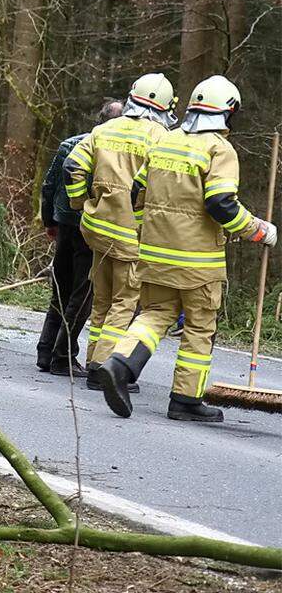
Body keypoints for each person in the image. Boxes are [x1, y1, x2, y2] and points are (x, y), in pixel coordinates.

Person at [97, 75, 277, 423]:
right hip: (197, 262)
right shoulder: (219, 150)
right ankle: (185, 400)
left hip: (154, 254)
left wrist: (143, 229)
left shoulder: (166, 142)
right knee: (198, 327)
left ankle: (118, 366)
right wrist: (258, 231)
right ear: (229, 111)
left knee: (153, 316)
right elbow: (221, 205)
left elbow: (136, 193)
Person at [64, 73, 177, 392]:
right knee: (125, 303)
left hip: (98, 229)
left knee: (102, 300)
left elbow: (73, 166)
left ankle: (92, 360)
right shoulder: (160, 136)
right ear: (165, 107)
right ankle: (103, 368)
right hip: (132, 235)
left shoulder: (104, 130)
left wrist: (80, 201)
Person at [36, 99, 124, 375]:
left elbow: (48, 186)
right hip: (87, 228)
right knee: (82, 295)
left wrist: (49, 220)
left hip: (64, 225)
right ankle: (62, 356)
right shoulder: (110, 151)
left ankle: (45, 349)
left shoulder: (69, 144)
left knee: (61, 289)